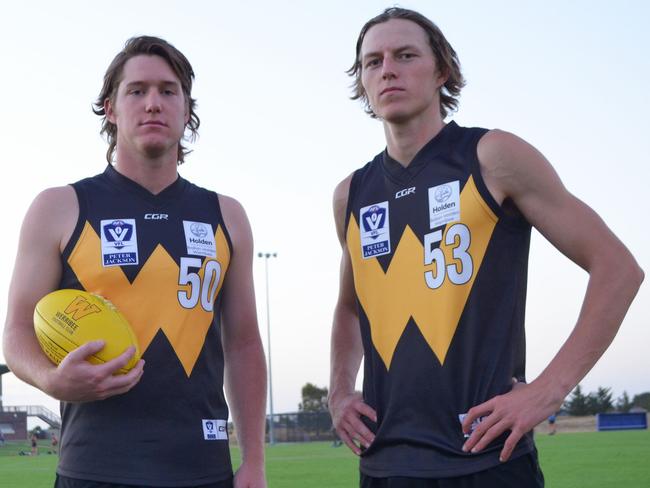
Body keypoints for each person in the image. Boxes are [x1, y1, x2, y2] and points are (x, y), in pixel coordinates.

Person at [328, 7, 643, 487]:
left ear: (442, 71)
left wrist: (548, 391)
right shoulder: (352, 193)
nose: (387, 68)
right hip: (385, 466)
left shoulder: (493, 157)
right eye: (373, 61)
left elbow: (618, 269)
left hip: (486, 460)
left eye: (405, 54)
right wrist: (338, 392)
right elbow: (350, 308)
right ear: (363, 83)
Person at [2, 36, 267, 488]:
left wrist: (255, 464)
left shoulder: (227, 215)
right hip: (94, 468)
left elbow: (242, 344)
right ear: (110, 108)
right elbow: (18, 331)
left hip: (202, 469)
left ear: (187, 109)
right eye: (137, 90)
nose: (153, 104)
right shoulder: (59, 207)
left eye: (168, 91)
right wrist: (52, 380)